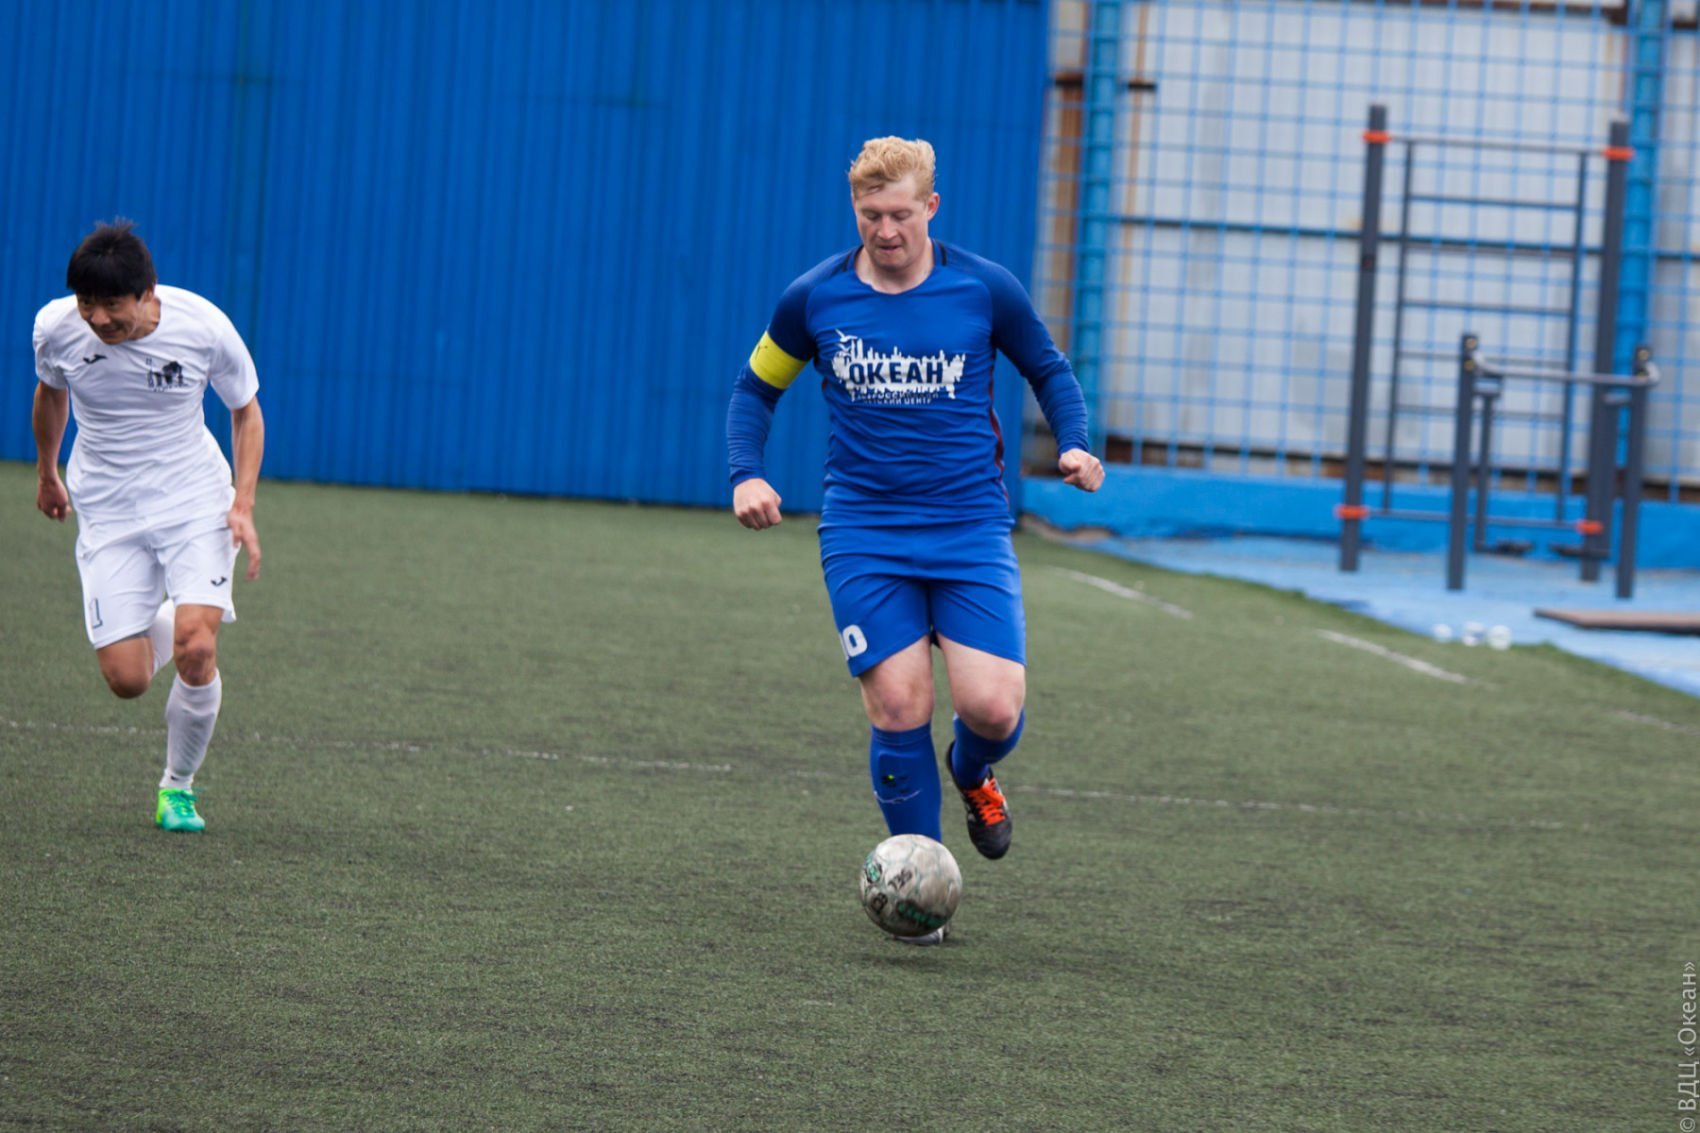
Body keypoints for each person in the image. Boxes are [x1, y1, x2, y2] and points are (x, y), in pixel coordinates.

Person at [726, 137, 1104, 942]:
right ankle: (921, 893)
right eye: (870, 215)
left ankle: (972, 770)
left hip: (969, 527)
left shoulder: (983, 287)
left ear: (931, 207)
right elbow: (755, 389)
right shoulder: (814, 298)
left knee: (991, 708)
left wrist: (1073, 444)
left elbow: (1049, 368)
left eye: (900, 214)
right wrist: (745, 473)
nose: (886, 230)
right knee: (900, 702)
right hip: (864, 530)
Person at [32, 220, 265, 833]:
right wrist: (47, 472)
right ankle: (185, 611)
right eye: (87, 303)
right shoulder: (56, 328)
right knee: (128, 679)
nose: (98, 318)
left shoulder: (203, 327)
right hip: (108, 507)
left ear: (147, 293)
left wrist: (242, 504)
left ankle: (177, 787)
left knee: (197, 647)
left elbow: (246, 412)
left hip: (194, 500)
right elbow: (51, 393)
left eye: (112, 304)